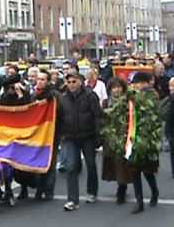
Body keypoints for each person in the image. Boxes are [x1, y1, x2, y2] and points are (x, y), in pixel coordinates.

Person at [60, 72, 102, 211]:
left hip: (88, 136)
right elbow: (59, 117)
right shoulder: (63, 98)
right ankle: (72, 200)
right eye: (69, 82)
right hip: (70, 137)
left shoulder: (90, 96)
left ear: (81, 82)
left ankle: (92, 192)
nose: (71, 84)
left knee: (90, 164)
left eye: (74, 81)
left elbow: (97, 116)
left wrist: (98, 137)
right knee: (71, 167)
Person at [129, 72, 160, 214]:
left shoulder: (152, 95)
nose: (137, 85)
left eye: (140, 83)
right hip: (134, 135)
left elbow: (153, 113)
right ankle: (139, 201)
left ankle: (154, 192)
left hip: (147, 137)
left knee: (148, 171)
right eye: (136, 83)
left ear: (146, 83)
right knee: (135, 171)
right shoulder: (132, 95)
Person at [30, 69, 62, 201]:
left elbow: (60, 110)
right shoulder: (34, 95)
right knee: (39, 162)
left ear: (48, 81)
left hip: (52, 133)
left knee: (50, 162)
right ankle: (39, 189)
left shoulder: (55, 95)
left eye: (43, 79)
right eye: (38, 79)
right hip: (38, 134)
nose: (40, 82)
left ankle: (49, 190)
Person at [102, 77, 132, 204]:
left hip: (124, 135)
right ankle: (120, 184)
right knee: (112, 162)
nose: (117, 90)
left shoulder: (128, 102)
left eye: (119, 87)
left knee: (121, 162)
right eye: (114, 87)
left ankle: (122, 188)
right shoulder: (105, 102)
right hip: (110, 136)